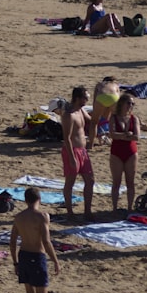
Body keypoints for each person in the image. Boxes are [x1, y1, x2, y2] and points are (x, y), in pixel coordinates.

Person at [10, 187, 61, 293]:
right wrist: (55, 260)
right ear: (39, 199)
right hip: (37, 256)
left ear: (25, 200)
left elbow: (12, 243)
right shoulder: (42, 216)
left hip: (23, 255)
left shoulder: (19, 217)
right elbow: (46, 241)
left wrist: (15, 263)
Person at [62, 86, 94, 221]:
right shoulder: (69, 115)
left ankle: (87, 211)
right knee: (70, 182)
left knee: (90, 180)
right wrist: (71, 157)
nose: (87, 100)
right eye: (85, 98)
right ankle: (70, 212)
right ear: (77, 98)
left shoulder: (81, 110)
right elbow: (67, 138)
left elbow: (92, 120)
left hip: (83, 150)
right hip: (72, 150)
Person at [108, 94, 140, 212]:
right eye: (128, 103)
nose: (130, 106)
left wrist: (121, 136)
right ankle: (115, 207)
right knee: (116, 181)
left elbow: (136, 137)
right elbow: (112, 135)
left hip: (131, 152)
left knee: (130, 182)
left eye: (132, 104)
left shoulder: (134, 118)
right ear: (122, 104)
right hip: (117, 152)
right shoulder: (114, 117)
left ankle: (129, 207)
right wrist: (126, 135)